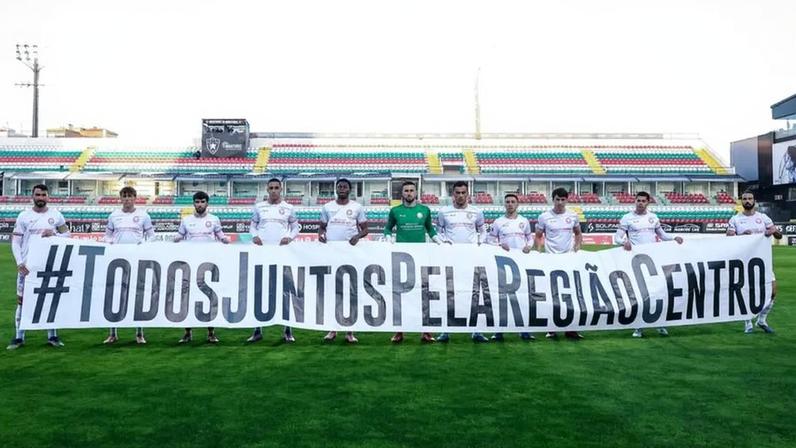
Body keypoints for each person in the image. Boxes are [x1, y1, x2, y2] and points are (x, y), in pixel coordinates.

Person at [7, 184, 70, 350]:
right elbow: (16, 242)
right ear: (32, 196)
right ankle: (19, 337)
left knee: (50, 300)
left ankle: (52, 336)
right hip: (27, 267)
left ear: (48, 197)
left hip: (49, 266)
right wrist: (20, 263)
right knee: (22, 302)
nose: (40, 197)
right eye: (38, 194)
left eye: (43, 195)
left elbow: (67, 234)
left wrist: (54, 234)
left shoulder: (56, 215)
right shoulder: (24, 216)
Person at [613, 191, 683, 338]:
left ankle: (659, 324)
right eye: (638, 200)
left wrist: (674, 238)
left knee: (656, 292)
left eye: (643, 201)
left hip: (653, 261)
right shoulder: (627, 218)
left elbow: (662, 235)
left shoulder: (653, 217)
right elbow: (617, 237)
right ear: (635, 201)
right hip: (636, 261)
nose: (640, 203)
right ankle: (639, 327)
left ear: (648, 202)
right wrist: (624, 242)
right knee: (640, 294)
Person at [383, 180, 442, 343]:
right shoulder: (395, 211)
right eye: (406, 190)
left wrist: (439, 241)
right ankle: (399, 331)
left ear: (416, 193)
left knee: (423, 294)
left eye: (411, 190)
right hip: (402, 258)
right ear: (402, 193)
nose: (409, 193)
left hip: (421, 258)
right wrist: (388, 238)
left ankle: (426, 331)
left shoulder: (425, 210)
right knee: (400, 294)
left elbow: (430, 229)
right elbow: (387, 228)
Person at [248, 178, 300, 343]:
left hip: (282, 254)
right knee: (260, 291)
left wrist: (289, 237)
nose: (274, 190)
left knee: (285, 291)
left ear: (281, 189)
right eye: (271, 188)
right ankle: (257, 330)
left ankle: (287, 330)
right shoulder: (259, 207)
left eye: (276, 187)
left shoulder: (288, 208)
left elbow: (296, 227)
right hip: (262, 254)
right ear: (267, 189)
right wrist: (254, 235)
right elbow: (252, 225)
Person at [435, 181, 488, 343]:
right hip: (451, 259)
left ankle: (476, 330)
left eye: (463, 192)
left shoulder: (476, 212)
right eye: (457, 193)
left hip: (471, 258)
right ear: (453, 194)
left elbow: (483, 231)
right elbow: (439, 232)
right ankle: (445, 330)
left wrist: (480, 242)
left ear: (468, 194)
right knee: (449, 293)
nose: (460, 195)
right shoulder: (444, 212)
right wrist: (444, 242)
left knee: (474, 293)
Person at [174, 191, 230, 344]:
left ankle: (211, 332)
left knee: (210, 296)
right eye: (197, 202)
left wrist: (225, 240)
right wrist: (176, 239)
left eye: (202, 201)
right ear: (193, 203)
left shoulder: (214, 219)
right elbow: (180, 236)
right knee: (188, 297)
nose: (200, 204)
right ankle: (187, 332)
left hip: (208, 264)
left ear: (207, 203)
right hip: (191, 264)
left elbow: (220, 235)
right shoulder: (186, 220)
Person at [102, 186, 155, 345]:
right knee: (115, 295)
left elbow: (152, 236)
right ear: (120, 198)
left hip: (136, 260)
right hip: (117, 260)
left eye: (130, 196)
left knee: (137, 295)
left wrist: (143, 244)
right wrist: (110, 242)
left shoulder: (143, 215)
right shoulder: (114, 215)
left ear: (135, 198)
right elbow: (107, 236)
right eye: (124, 196)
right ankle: (113, 333)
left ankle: (139, 333)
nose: (127, 199)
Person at [319, 178, 368, 343]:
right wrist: (321, 235)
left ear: (349, 189)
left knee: (350, 292)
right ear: (336, 189)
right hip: (332, 255)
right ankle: (332, 329)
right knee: (333, 292)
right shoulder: (327, 207)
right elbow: (322, 227)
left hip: (350, 255)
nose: (341, 189)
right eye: (339, 186)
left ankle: (349, 331)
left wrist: (357, 236)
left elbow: (365, 229)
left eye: (344, 187)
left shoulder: (357, 207)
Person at [726, 190, 782, 333]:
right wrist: (741, 235)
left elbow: (779, 235)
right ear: (741, 201)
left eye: (750, 198)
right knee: (747, 292)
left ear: (754, 201)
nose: (747, 201)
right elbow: (729, 238)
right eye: (745, 199)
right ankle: (748, 323)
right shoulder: (735, 219)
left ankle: (761, 320)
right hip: (745, 262)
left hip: (764, 261)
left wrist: (774, 231)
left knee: (773, 292)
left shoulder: (763, 217)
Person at [535, 188, 584, 340]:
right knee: (552, 294)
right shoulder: (544, 217)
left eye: (563, 199)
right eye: (557, 199)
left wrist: (577, 247)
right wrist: (539, 252)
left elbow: (578, 233)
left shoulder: (573, 215)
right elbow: (538, 236)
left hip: (569, 260)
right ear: (553, 199)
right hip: (550, 260)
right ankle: (552, 328)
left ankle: (571, 329)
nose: (560, 202)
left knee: (571, 294)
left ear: (567, 200)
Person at [489, 193, 534, 342]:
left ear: (517, 204)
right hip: (503, 265)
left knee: (523, 296)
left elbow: (530, 238)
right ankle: (499, 331)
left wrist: (529, 246)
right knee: (501, 297)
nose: (510, 204)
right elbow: (489, 239)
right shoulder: (498, 222)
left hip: (521, 263)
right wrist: (499, 244)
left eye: (512, 202)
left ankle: (524, 330)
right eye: (507, 202)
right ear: (504, 204)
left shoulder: (524, 221)